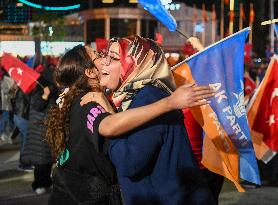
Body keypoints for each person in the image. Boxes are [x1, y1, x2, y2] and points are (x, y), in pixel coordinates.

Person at [46, 45, 214, 205]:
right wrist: (169, 103)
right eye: (99, 56)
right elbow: (110, 128)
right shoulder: (89, 101)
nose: (105, 60)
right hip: (82, 197)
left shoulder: (141, 95)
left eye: (112, 57)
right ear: (90, 72)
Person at [22, 65, 58, 194]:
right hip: (38, 132)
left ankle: (46, 182)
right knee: (40, 161)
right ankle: (38, 185)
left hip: (46, 131)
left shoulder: (52, 91)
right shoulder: (38, 91)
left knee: (46, 161)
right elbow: (37, 107)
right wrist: (44, 95)